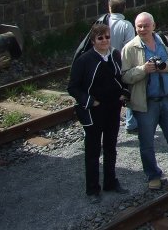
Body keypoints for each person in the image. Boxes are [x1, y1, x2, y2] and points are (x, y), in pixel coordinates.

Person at [121, 12, 168, 190]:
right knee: (147, 143)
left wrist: (165, 66)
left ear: (153, 26)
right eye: (139, 26)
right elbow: (125, 76)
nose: (142, 29)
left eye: (145, 26)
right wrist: (143, 69)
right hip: (145, 102)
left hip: (166, 99)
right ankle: (153, 176)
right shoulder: (129, 48)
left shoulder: (165, 42)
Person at [68, 23, 128, 202]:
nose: (104, 41)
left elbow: (120, 79)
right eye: (100, 38)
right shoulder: (84, 60)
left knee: (111, 147)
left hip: (112, 108)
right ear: (93, 40)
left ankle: (110, 181)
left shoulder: (115, 55)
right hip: (94, 111)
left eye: (107, 37)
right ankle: (92, 189)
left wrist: (123, 94)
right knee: (93, 151)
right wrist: (89, 101)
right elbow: (73, 87)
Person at [101, 0, 137, 133]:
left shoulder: (103, 22)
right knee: (129, 92)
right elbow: (129, 47)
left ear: (109, 8)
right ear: (124, 8)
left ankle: (106, 125)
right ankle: (131, 122)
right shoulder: (126, 25)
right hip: (121, 64)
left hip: (104, 64)